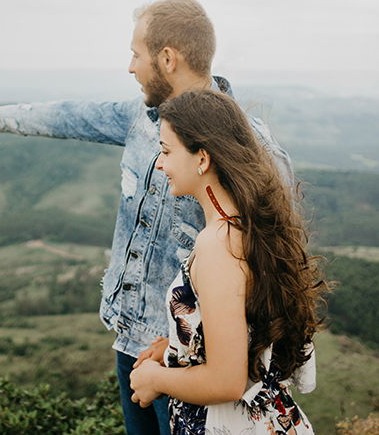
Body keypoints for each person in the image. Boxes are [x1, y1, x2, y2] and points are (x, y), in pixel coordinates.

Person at [0, 0, 293, 435]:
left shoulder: (247, 142)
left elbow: (279, 246)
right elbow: (74, 116)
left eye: (136, 54)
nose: (130, 67)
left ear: (167, 58)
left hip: (193, 357)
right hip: (129, 335)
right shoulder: (141, 119)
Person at [130, 90, 324, 435]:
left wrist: (154, 378)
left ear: (202, 159)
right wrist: (177, 347)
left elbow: (228, 381)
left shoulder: (219, 246)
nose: (160, 164)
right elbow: (246, 330)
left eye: (166, 151)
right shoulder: (249, 226)